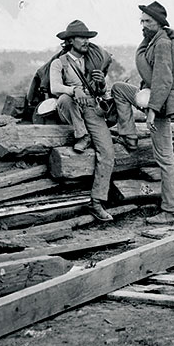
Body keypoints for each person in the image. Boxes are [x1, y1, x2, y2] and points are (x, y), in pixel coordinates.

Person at [110, 1, 174, 225]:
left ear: (159, 23)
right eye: (141, 21)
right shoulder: (152, 40)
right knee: (119, 88)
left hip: (160, 103)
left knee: (165, 157)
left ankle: (171, 210)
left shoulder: (162, 43)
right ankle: (129, 136)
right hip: (151, 95)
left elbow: (164, 79)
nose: (142, 25)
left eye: (147, 21)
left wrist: (152, 111)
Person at [49, 20, 118, 222]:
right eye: (81, 37)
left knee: (107, 152)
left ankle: (96, 202)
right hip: (70, 107)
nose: (86, 41)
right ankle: (82, 135)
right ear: (70, 40)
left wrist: (101, 84)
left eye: (88, 37)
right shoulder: (59, 63)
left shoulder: (92, 62)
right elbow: (55, 88)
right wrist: (73, 90)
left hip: (91, 108)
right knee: (64, 98)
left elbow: (101, 93)